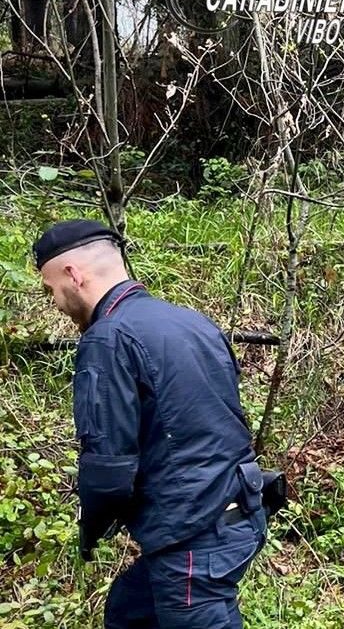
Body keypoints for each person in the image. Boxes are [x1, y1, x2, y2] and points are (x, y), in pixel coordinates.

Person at [34, 219, 267, 629]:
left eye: (51, 288)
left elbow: (109, 466)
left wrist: (91, 529)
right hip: (241, 511)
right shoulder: (191, 321)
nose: (55, 302)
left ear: (73, 274)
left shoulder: (108, 338)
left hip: (193, 537)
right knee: (129, 612)